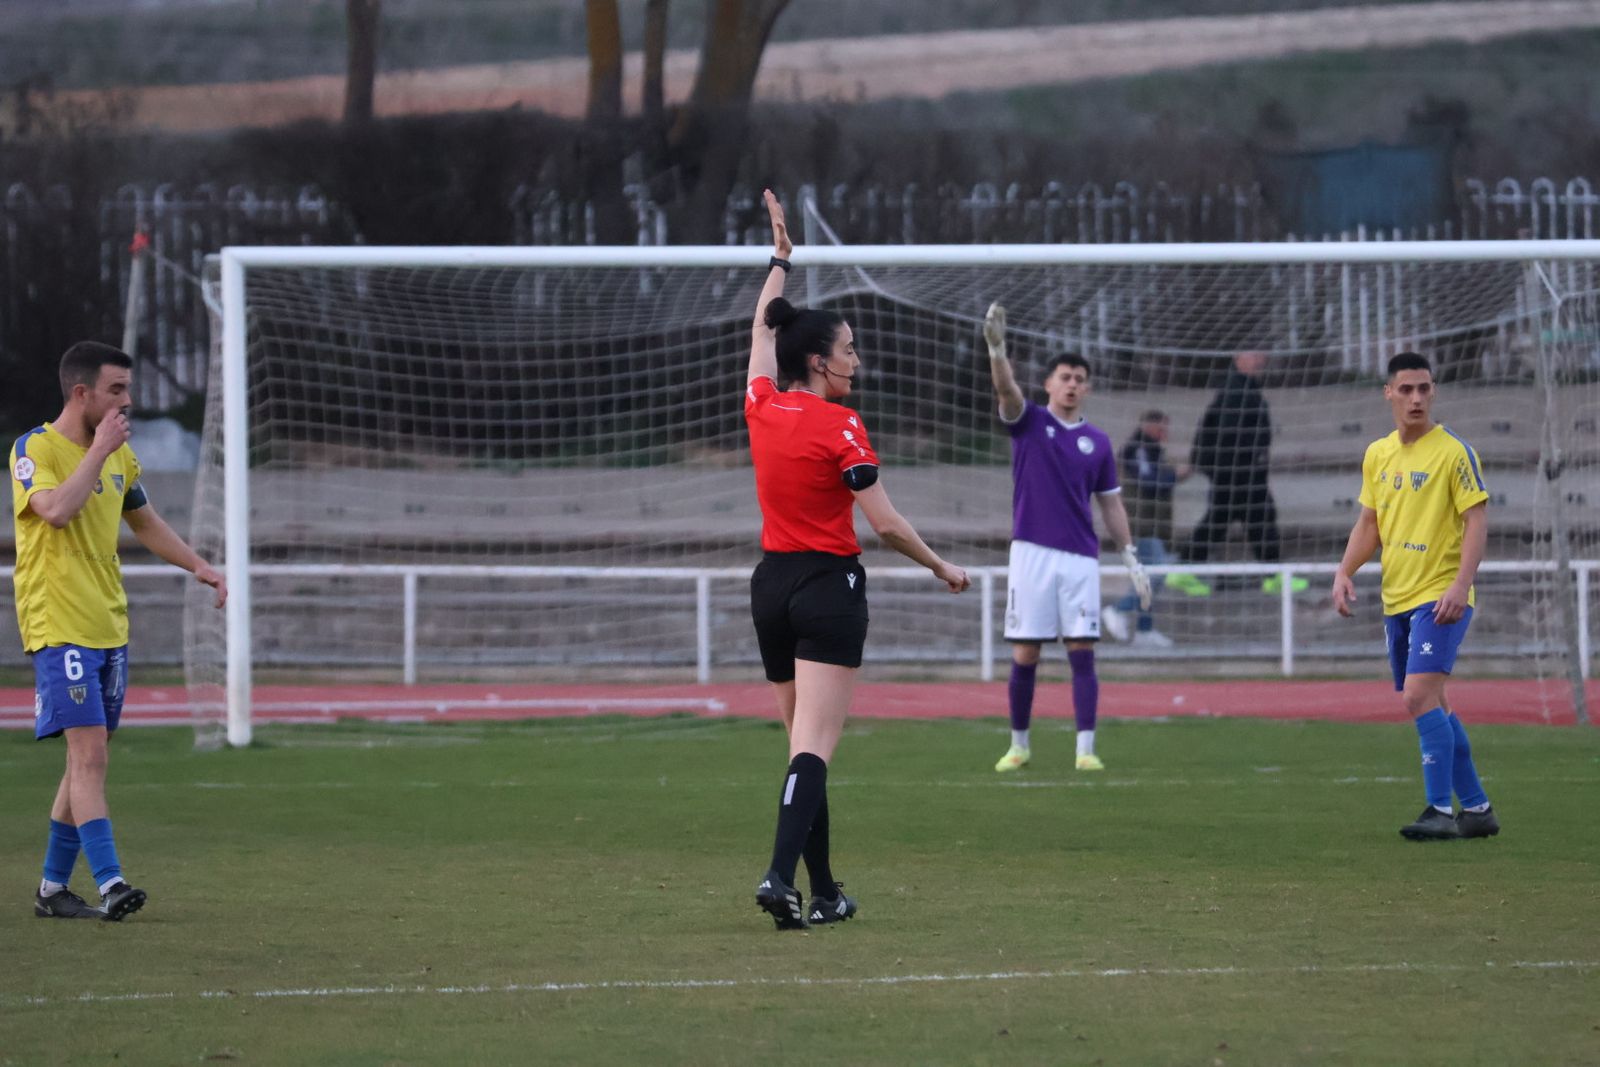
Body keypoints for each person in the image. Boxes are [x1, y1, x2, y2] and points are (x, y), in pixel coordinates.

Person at [746, 190, 970, 929]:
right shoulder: (842, 425)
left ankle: (826, 889)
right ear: (819, 361)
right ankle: (779, 876)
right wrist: (942, 566)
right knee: (814, 746)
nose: (856, 359)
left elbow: (761, 328)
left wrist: (781, 261)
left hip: (770, 586)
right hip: (827, 587)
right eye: (847, 349)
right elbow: (886, 525)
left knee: (801, 748)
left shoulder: (763, 404)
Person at [11, 341, 226, 921]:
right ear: (81, 393)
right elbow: (56, 511)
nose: (127, 402)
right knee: (89, 758)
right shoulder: (34, 448)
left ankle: (53, 891)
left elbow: (144, 521)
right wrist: (98, 451)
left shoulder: (120, 458)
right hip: (58, 622)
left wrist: (199, 565)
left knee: (88, 757)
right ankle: (110, 883)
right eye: (116, 391)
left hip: (108, 623)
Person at [1332, 351, 1498, 841]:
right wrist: (1344, 571)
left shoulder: (1454, 452)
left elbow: (1477, 520)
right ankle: (1476, 808)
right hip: (1397, 598)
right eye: (1406, 389)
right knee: (1436, 703)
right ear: (1389, 393)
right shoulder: (1378, 454)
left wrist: (1460, 583)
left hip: (1439, 596)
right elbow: (1370, 523)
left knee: (1417, 696)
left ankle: (1438, 812)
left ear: (1434, 392)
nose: (1416, 398)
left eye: (1424, 388)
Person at [981, 303, 1150, 773]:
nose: (1072, 384)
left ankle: (1085, 750)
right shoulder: (1029, 420)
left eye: (1079, 378)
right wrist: (998, 350)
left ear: (1088, 387)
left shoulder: (1097, 442)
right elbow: (1006, 389)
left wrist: (1130, 556)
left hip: (1079, 558)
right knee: (1026, 651)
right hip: (1031, 553)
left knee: (1082, 650)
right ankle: (1019, 745)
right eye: (1065, 377)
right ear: (1049, 384)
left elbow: (1111, 504)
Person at [1187, 350, 1300, 594]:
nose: (1260, 360)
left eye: (1261, 356)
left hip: (1238, 470)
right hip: (1237, 471)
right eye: (1254, 356)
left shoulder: (1244, 386)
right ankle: (1184, 570)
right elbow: (1228, 431)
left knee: (1242, 520)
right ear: (1238, 358)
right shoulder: (1235, 389)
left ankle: (1272, 575)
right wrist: (1245, 461)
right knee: (1248, 519)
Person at [1101, 410, 1207, 648]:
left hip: (1153, 525)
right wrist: (1174, 475)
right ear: (1149, 426)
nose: (1165, 433)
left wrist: (1178, 475)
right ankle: (1118, 609)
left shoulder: (1153, 451)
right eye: (1161, 428)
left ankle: (1144, 630)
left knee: (1149, 576)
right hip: (1141, 525)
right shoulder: (1137, 449)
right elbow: (1149, 481)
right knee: (1155, 573)